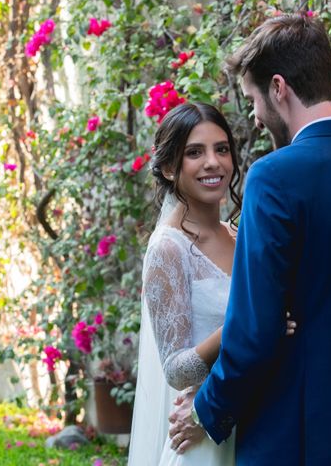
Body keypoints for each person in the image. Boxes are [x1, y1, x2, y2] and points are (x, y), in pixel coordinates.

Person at [167, 13, 331, 465]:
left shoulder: (274, 177)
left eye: (253, 100)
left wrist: (204, 409)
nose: (257, 118)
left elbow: (256, 331)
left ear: (278, 88)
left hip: (294, 436)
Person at [127, 101, 296, 466]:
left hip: (256, 425)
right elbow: (176, 369)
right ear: (170, 168)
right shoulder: (168, 248)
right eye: (194, 152)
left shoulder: (239, 235)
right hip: (202, 442)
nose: (213, 162)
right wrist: (251, 321)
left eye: (221, 149)